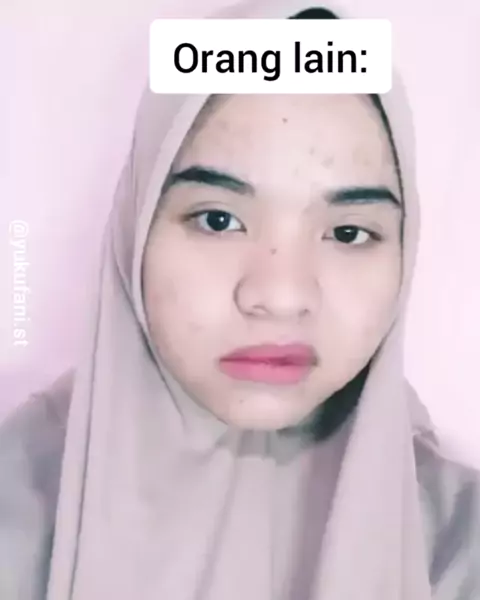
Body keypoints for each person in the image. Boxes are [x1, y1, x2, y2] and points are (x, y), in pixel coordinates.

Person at [0, 2, 478, 599]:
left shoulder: (457, 543)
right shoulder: (18, 500)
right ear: (134, 229)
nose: (280, 296)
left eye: (349, 232)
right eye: (219, 219)